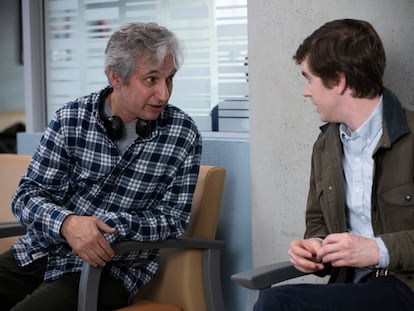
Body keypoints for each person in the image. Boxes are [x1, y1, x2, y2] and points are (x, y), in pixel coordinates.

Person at [0, 22, 202, 310]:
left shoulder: (183, 133)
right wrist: (68, 223)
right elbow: (27, 196)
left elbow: (173, 219)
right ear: (116, 78)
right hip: (39, 252)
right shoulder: (70, 118)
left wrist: (106, 228)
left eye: (169, 79)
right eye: (151, 80)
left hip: (111, 270)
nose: (164, 94)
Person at [254, 19, 414, 310]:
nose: (306, 91)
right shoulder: (326, 145)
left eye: (309, 78)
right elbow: (318, 221)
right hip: (352, 285)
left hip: (405, 288)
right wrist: (315, 245)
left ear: (338, 80)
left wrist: (377, 250)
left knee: (276, 303)